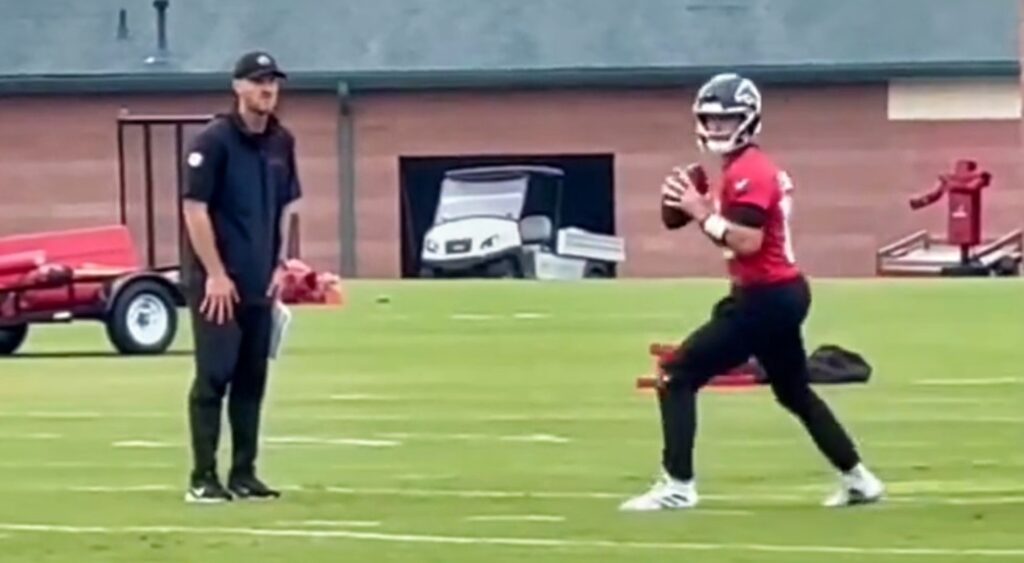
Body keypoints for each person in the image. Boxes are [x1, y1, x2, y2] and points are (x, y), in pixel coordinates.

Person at [619, 73, 884, 511]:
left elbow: (746, 241)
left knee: (676, 374)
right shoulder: (736, 171)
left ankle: (678, 486)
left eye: (728, 121)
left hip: (764, 297)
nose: (718, 128)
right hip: (778, 294)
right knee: (793, 391)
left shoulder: (750, 172)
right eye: (712, 120)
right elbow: (681, 221)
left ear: (749, 120)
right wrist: (686, 205)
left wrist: (701, 210)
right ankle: (859, 479)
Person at [180, 50, 301, 503]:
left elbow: (287, 206)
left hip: (258, 281)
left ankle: (244, 473)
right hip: (217, 283)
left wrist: (280, 263)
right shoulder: (213, 141)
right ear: (238, 88)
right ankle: (202, 477)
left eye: (272, 80)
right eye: (257, 81)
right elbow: (194, 209)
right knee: (214, 374)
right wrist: (214, 273)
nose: (267, 88)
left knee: (252, 378)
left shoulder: (281, 142)